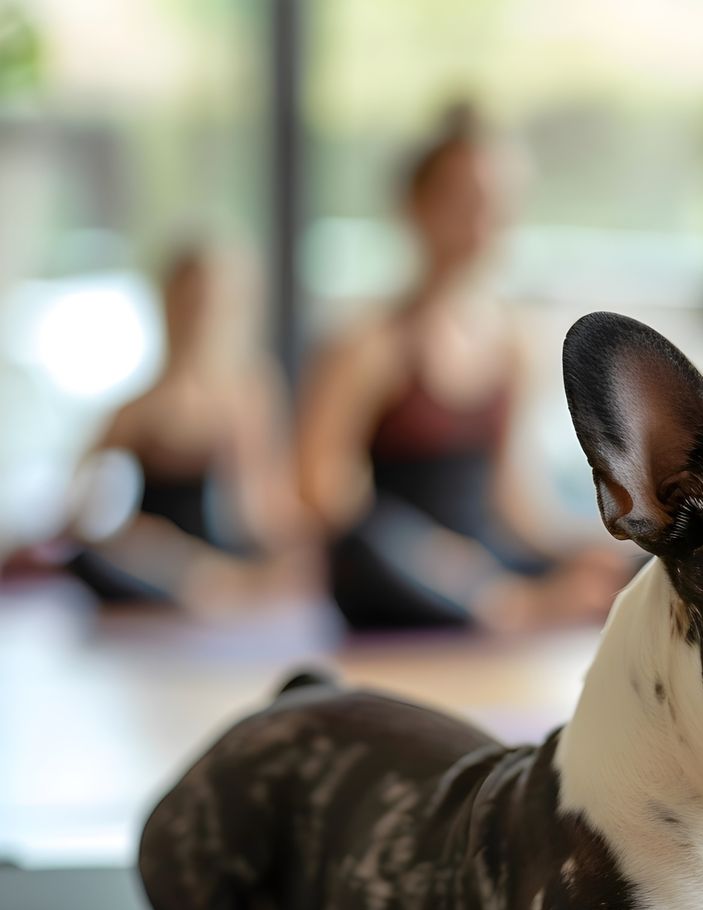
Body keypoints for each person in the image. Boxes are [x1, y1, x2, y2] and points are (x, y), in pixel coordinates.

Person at [297, 104, 627, 632]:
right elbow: (320, 490)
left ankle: (513, 601)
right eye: (465, 202)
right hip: (400, 563)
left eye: (497, 205)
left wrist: (587, 549)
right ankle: (514, 606)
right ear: (416, 206)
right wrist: (442, 559)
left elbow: (512, 501)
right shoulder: (370, 342)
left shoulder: (511, 344)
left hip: (485, 560)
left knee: (631, 565)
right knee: (361, 548)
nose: (481, 223)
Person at [68, 245, 311, 613]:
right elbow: (79, 508)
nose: (200, 314)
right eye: (190, 300)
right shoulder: (136, 409)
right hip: (156, 563)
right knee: (92, 561)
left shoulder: (249, 395)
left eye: (211, 302)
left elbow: (263, 510)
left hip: (225, 562)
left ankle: (216, 589)